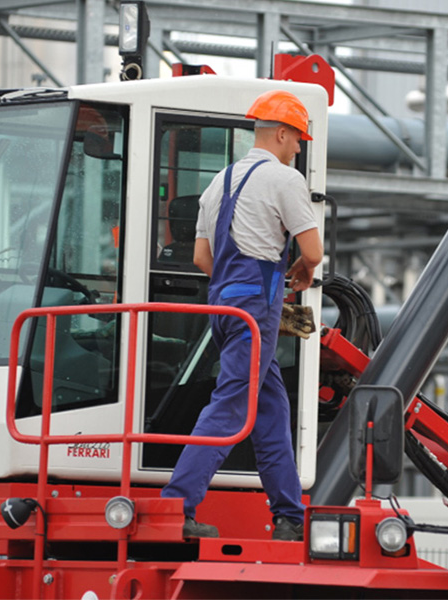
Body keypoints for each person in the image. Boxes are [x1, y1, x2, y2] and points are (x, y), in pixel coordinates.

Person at [160, 90, 323, 542]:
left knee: (270, 410)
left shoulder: (220, 181)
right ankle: (177, 506)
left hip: (224, 303)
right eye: (297, 140)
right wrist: (300, 271)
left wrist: (239, 285)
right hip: (255, 310)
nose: (298, 148)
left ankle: (290, 517)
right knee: (232, 406)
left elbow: (200, 257)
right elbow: (313, 250)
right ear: (282, 133)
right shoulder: (283, 179)